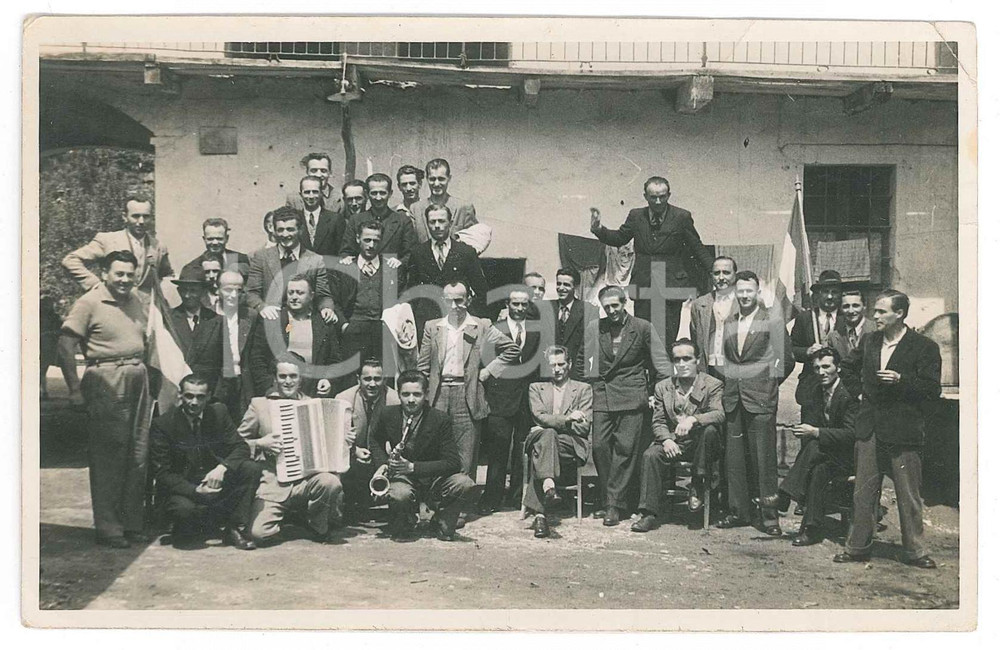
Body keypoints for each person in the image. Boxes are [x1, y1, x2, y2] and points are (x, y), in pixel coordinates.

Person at [834, 290, 942, 569]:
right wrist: (859, 394)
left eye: (882, 312)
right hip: (869, 429)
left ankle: (915, 551)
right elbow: (846, 367)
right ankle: (857, 547)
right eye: (876, 311)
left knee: (908, 495)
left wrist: (901, 380)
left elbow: (932, 390)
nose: (875, 316)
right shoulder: (870, 342)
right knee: (863, 492)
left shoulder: (924, 347)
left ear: (900, 314)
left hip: (903, 431)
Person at [58, 250, 153, 548]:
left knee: (138, 453)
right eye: (119, 274)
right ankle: (109, 527)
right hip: (105, 379)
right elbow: (64, 345)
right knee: (109, 454)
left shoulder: (137, 300)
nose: (125, 280)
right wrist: (74, 389)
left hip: (138, 377)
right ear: (104, 274)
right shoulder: (89, 302)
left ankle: (132, 523)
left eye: (130, 274)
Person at [716, 271, 795, 536]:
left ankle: (770, 517)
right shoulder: (729, 321)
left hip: (761, 398)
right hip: (734, 399)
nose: (744, 296)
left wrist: (767, 385)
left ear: (757, 292)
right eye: (740, 291)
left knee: (764, 460)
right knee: (734, 460)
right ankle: (739, 511)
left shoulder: (771, 320)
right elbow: (727, 359)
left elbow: (786, 361)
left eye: (749, 291)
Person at [238, 354, 348, 545]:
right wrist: (260, 443)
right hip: (273, 482)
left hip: (308, 479)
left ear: (301, 378)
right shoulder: (260, 405)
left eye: (293, 376)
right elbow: (236, 445)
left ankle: (315, 525)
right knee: (259, 534)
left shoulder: (313, 404)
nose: (288, 382)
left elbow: (330, 442)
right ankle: (292, 518)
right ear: (274, 378)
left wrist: (345, 439)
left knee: (330, 482)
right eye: (282, 376)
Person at [585, 285, 671, 527]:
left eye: (616, 305)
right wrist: (587, 389)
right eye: (607, 307)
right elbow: (585, 361)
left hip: (633, 395)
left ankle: (612, 504)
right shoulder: (595, 328)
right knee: (600, 447)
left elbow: (662, 366)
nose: (611, 311)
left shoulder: (642, 327)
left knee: (624, 449)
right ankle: (611, 497)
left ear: (625, 304)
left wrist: (657, 394)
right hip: (602, 394)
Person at [589, 176, 713, 342]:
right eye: (653, 197)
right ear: (645, 196)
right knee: (643, 334)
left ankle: (665, 367)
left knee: (667, 338)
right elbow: (619, 238)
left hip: (670, 286)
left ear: (669, 195)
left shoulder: (681, 216)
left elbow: (696, 247)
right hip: (644, 284)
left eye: (662, 196)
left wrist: (715, 270)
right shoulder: (636, 215)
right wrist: (599, 229)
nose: (658, 201)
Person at [756, 347, 858, 546]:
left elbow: (852, 434)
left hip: (847, 457)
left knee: (814, 445)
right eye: (817, 368)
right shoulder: (815, 393)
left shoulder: (849, 395)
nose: (821, 372)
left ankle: (783, 496)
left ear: (837, 368)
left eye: (826, 366)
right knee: (818, 469)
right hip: (824, 457)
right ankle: (811, 529)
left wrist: (816, 432)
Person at [417, 281, 519, 481]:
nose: (454, 306)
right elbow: (423, 366)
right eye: (449, 301)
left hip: (467, 394)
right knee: (435, 448)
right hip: (438, 394)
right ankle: (435, 500)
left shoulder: (481, 326)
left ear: (469, 300)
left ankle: (460, 502)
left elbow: (512, 349)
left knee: (466, 452)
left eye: (459, 301)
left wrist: (488, 371)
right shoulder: (432, 327)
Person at [149, 374, 260, 550]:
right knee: (185, 521)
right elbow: (162, 473)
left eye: (200, 397)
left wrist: (222, 468)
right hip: (184, 489)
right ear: (180, 395)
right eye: (189, 396)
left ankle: (234, 527)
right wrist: (195, 491)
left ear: (208, 396)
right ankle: (189, 525)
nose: (194, 402)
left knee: (250, 468)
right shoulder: (163, 424)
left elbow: (241, 447)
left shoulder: (218, 413)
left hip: (214, 481)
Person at [368, 370, 476, 541]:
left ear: (426, 394)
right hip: (403, 480)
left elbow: (453, 462)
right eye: (405, 394)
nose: (411, 400)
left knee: (464, 483)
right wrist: (382, 464)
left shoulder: (440, 419)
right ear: (398, 394)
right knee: (400, 497)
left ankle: (440, 522)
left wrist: (413, 467)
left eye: (417, 394)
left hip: (432, 481)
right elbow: (374, 440)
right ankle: (407, 521)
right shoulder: (387, 414)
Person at [632, 338, 725, 533]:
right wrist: (666, 440)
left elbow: (719, 413)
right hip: (674, 442)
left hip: (701, 444)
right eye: (677, 360)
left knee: (710, 431)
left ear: (697, 360)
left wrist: (693, 420)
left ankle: (698, 484)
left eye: (687, 359)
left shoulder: (712, 384)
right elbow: (658, 421)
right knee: (650, 455)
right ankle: (649, 513)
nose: (682, 364)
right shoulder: (663, 387)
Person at [479, 286, 542, 514]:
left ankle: (518, 496)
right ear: (508, 304)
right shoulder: (495, 329)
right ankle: (492, 498)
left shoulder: (537, 330)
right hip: (500, 397)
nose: (520, 308)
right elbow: (484, 361)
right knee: (498, 448)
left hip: (526, 398)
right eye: (515, 304)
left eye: (524, 304)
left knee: (522, 449)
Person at [523, 346, 592, 538]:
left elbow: (583, 428)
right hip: (545, 440)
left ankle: (541, 511)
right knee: (548, 436)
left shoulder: (583, 389)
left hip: (570, 444)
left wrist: (552, 422)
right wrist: (568, 419)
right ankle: (545, 497)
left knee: (546, 438)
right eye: (552, 365)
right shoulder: (536, 388)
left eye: (561, 364)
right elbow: (539, 417)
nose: (557, 369)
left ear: (569, 364)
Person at [248, 274, 344, 398]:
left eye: (300, 293)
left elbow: (334, 360)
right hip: (279, 390)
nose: (294, 297)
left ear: (311, 296)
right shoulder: (273, 321)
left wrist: (328, 380)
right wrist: (270, 388)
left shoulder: (324, 322)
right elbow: (257, 358)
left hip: (313, 391)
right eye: (290, 293)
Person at [404, 203, 488, 338]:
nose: (437, 225)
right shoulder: (418, 252)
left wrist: (474, 319)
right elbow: (412, 289)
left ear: (451, 222)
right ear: (427, 223)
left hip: (458, 320)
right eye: (432, 222)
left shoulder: (465, 252)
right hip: (428, 321)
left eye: (441, 221)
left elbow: (481, 290)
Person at [62, 196, 174, 295]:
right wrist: (95, 285)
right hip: (112, 307)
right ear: (124, 217)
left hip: (144, 313)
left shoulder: (158, 247)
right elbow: (71, 260)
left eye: (146, 216)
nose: (141, 221)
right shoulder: (107, 240)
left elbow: (167, 275)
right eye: (135, 216)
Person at [245, 206, 338, 324]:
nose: (285, 234)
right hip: (272, 321)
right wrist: (262, 307)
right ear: (274, 230)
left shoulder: (315, 260)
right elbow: (251, 293)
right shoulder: (261, 257)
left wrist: (327, 308)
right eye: (280, 230)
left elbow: (323, 295)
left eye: (290, 229)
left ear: (300, 230)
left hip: (303, 321)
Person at [335, 359, 400, 524]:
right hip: (353, 455)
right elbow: (335, 435)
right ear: (358, 379)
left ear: (384, 380)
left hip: (382, 456)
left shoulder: (395, 400)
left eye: (377, 379)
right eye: (367, 379)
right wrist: (354, 450)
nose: (372, 384)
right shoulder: (343, 398)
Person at [196, 270, 259, 421]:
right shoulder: (205, 315)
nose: (233, 295)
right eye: (228, 290)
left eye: (238, 291)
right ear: (217, 290)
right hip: (215, 384)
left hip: (241, 383)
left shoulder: (250, 316)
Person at [336, 222, 399, 365]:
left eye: (376, 241)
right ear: (358, 239)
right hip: (354, 329)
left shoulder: (390, 268)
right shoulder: (345, 267)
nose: (371, 245)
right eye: (367, 240)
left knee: (384, 377)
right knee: (351, 378)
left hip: (382, 330)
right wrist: (345, 326)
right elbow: (335, 301)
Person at [338, 173, 417, 268]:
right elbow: (345, 251)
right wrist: (347, 258)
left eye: (382, 193)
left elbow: (411, 253)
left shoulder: (402, 221)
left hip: (391, 275)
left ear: (390, 193)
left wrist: (400, 262)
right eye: (374, 193)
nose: (378, 198)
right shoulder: (356, 220)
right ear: (367, 194)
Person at [791, 270, 845, 405]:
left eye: (835, 292)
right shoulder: (806, 318)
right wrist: (807, 351)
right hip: (811, 386)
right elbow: (791, 349)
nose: (830, 296)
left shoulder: (846, 318)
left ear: (841, 295)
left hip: (841, 387)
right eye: (826, 291)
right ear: (818, 294)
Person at [410, 158, 481, 248]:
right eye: (432, 179)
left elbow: (474, 241)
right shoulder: (416, 209)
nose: (436, 184)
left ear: (449, 178)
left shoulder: (464, 208)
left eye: (441, 179)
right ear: (427, 179)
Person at [689, 256, 738, 378]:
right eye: (717, 273)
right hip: (708, 369)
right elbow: (695, 337)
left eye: (726, 273)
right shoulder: (699, 304)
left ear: (735, 275)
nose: (721, 278)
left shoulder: (744, 302)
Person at [169, 266, 219, 360]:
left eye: (193, 291)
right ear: (179, 291)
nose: (187, 296)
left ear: (203, 292)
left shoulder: (217, 321)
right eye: (184, 290)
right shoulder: (168, 319)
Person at [548, 268, 587, 380]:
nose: (561, 288)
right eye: (558, 284)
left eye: (566, 285)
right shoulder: (546, 308)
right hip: (550, 373)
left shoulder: (587, 310)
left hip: (575, 374)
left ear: (575, 287)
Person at [182, 217, 249, 280]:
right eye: (210, 239)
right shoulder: (192, 268)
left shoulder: (240, 260)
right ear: (204, 239)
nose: (215, 242)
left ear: (227, 238)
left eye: (219, 238)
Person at [297, 175, 346, 257]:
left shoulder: (335, 219)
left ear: (321, 193)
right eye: (307, 192)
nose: (311, 196)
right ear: (300, 194)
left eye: (315, 192)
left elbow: (341, 250)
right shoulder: (295, 218)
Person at [827, 289, 875, 363]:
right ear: (840, 308)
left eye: (855, 306)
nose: (851, 311)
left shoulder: (877, 329)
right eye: (846, 306)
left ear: (864, 306)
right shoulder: (833, 337)